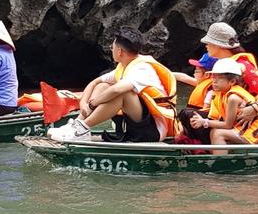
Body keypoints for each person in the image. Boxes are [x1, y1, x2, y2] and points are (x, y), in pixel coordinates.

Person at [48, 27, 177, 142]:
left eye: (112, 46)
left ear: (120, 51)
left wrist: (93, 103)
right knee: (102, 86)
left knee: (122, 92)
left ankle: (83, 127)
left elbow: (117, 90)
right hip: (137, 123)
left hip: (153, 130)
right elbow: (95, 82)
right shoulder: (124, 66)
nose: (111, 48)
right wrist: (84, 104)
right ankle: (79, 124)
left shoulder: (142, 68)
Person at [187, 59, 258, 149]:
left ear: (232, 81)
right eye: (213, 77)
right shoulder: (221, 94)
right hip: (254, 132)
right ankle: (218, 157)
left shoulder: (233, 98)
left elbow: (227, 125)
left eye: (219, 78)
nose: (214, 81)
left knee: (218, 133)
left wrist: (204, 122)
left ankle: (221, 163)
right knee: (213, 131)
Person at [200, 22, 258, 126]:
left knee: (188, 116)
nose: (206, 45)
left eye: (208, 42)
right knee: (189, 115)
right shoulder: (223, 64)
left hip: (243, 118)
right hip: (227, 114)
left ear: (219, 45)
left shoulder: (242, 66)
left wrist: (254, 109)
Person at [174, 53, 217, 141]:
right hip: (195, 118)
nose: (194, 73)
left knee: (185, 113)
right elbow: (183, 77)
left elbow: (207, 109)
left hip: (200, 120)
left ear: (207, 75)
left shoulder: (212, 88)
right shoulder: (202, 83)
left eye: (197, 71)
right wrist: (159, 70)